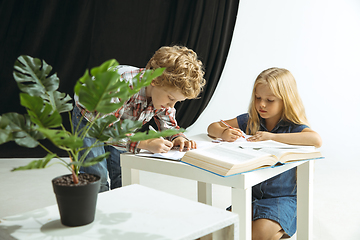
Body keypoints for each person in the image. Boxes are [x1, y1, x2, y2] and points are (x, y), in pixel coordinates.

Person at [207, 67, 322, 239]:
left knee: (255, 234)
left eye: (270, 100)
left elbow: (316, 140)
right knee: (223, 232)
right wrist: (223, 133)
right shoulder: (251, 121)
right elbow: (213, 126)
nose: (262, 104)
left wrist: (272, 137)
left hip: (281, 199)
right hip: (250, 195)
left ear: (286, 100)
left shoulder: (292, 127)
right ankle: (274, 232)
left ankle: (279, 228)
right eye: (258, 98)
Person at [73, 45, 206, 192]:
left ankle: (120, 208)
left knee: (123, 172)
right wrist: (145, 143)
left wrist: (177, 137)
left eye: (176, 102)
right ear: (154, 81)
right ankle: (98, 211)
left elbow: (167, 120)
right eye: (170, 98)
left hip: (122, 122)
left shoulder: (161, 94)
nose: (171, 105)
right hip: (92, 118)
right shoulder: (121, 86)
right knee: (97, 177)